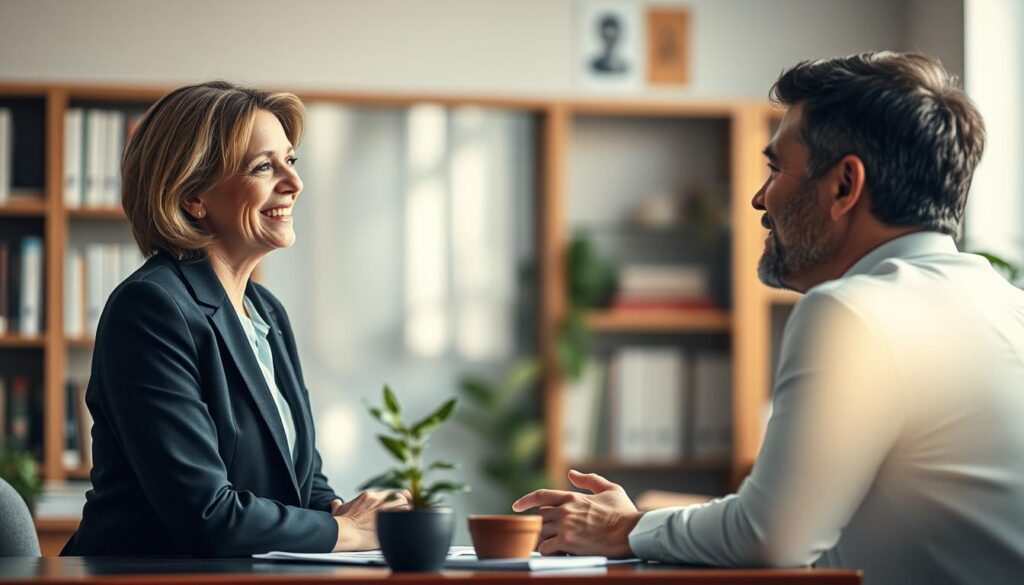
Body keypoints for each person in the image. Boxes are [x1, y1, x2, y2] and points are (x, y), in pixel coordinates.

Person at [514, 52, 1024, 584]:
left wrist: (625, 530)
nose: (759, 199)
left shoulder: (852, 310)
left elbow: (773, 539)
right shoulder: (1008, 306)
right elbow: (831, 544)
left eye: (776, 168)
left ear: (844, 186)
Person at [62, 82, 408, 557]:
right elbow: (208, 516)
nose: (294, 183)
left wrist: (358, 516)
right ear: (193, 197)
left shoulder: (266, 311)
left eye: (292, 161)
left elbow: (302, 484)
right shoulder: (149, 309)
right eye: (264, 166)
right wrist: (350, 532)